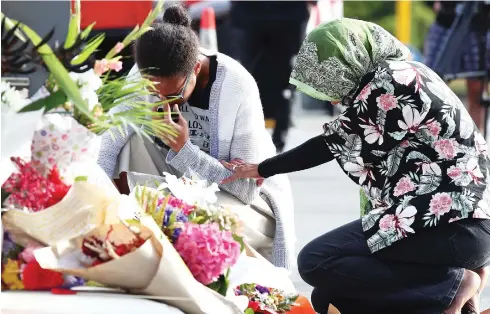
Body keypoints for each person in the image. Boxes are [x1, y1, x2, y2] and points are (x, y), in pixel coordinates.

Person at [221, 18, 490, 314]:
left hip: (451, 224)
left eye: (331, 78)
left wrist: (261, 168)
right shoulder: (410, 73)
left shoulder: (393, 80)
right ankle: (454, 300)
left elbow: (330, 143)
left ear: (350, 61)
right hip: (454, 226)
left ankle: (453, 284)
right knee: (330, 297)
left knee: (317, 260)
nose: (334, 96)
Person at [97, 5, 295, 269]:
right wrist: (96, 199)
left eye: (174, 94)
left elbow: (245, 190)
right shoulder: (146, 76)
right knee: (128, 139)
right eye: (155, 94)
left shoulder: (236, 85)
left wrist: (184, 149)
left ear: (195, 68)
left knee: (192, 222)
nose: (166, 102)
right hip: (181, 185)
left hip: (244, 204)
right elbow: (109, 142)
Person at [228, 1, 315, 152]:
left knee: (247, 77)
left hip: (251, 14)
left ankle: (250, 137)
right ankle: (277, 139)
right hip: (288, 15)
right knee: (285, 81)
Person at [424, 1, 490, 132]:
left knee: (476, 89)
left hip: (477, 27)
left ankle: (476, 137)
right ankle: (433, 133)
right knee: (431, 84)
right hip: (446, 23)